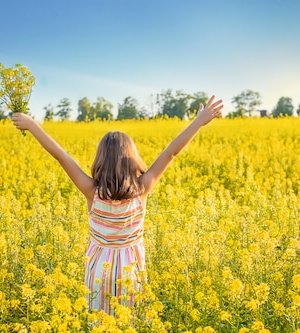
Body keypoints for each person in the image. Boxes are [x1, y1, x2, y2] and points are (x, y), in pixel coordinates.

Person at [12, 95, 224, 315]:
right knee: (128, 329)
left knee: (100, 330)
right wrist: (198, 122)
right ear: (132, 158)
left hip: (98, 271)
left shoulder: (92, 192)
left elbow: (62, 157)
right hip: (130, 270)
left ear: (100, 160)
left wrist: (32, 124)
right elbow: (171, 152)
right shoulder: (142, 189)